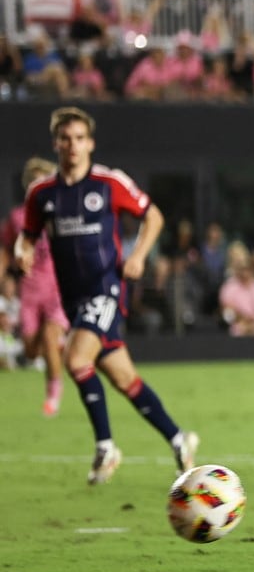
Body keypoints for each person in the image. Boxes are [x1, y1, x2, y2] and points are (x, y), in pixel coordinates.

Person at [14, 107, 199, 485]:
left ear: (91, 143)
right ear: (56, 144)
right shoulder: (42, 194)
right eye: (66, 139)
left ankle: (105, 446)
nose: (73, 146)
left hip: (106, 289)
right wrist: (23, 249)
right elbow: (28, 234)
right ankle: (179, 439)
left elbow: (154, 216)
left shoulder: (109, 183)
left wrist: (139, 255)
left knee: (76, 358)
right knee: (122, 377)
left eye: (80, 138)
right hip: (73, 300)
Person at [0, 157, 68, 415]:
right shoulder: (17, 218)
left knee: (50, 338)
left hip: (57, 289)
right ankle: (60, 347)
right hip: (29, 292)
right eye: (32, 180)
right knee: (30, 349)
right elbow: (6, 248)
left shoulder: (62, 213)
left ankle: (53, 394)